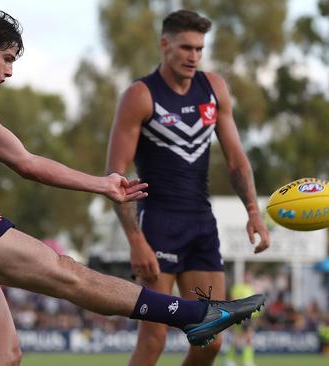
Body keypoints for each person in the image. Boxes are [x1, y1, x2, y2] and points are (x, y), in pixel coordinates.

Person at [0, 8, 264, 365]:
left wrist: (102, 185)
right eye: (6, 60)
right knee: (66, 273)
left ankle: (198, 316)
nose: (9, 72)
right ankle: (197, 315)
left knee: (3, 356)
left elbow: (28, 164)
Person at [105, 9, 271, 366]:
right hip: (157, 226)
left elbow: (236, 161)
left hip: (200, 224)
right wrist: (135, 240)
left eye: (199, 48)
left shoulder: (214, 90)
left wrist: (254, 213)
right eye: (185, 48)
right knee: (153, 340)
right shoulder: (140, 95)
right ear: (165, 45)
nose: (194, 56)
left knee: (210, 341)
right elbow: (115, 179)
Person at [223, 280, 259, 366]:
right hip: (242, 316)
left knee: (246, 338)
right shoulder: (238, 288)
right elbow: (234, 300)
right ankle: (232, 360)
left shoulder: (250, 289)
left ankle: (239, 360)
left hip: (250, 316)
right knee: (240, 338)